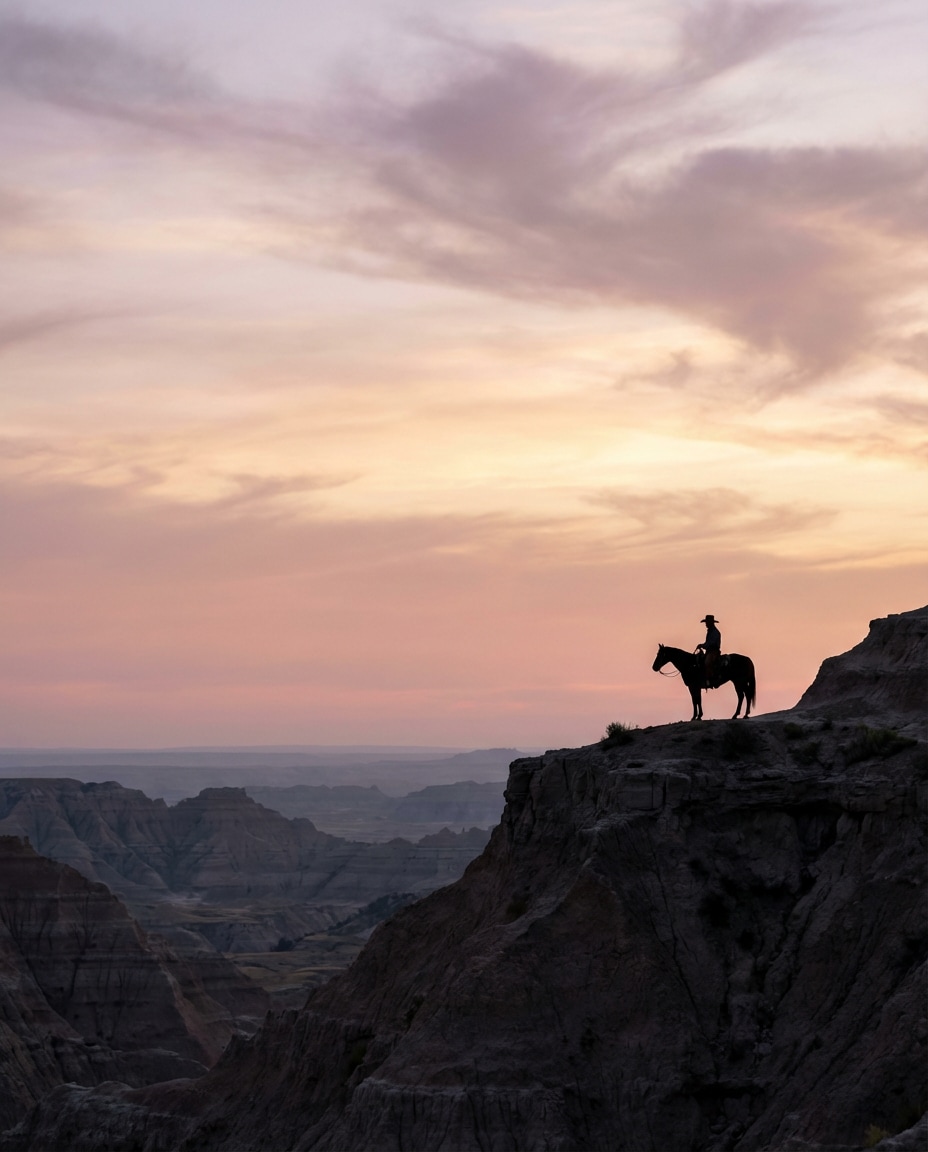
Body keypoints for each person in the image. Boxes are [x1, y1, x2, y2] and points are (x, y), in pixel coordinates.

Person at [697, 614, 722, 687]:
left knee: (707, 662)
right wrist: (702, 645)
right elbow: (708, 642)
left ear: (711, 623)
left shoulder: (715, 632)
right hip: (709, 651)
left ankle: (709, 680)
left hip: (713, 652)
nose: (706, 624)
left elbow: (711, 643)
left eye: (707, 623)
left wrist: (703, 645)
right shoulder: (710, 631)